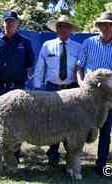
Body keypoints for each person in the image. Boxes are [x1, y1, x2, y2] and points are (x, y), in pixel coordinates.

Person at [76, 11, 112, 175]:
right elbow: (79, 67)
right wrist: (81, 84)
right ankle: (77, 162)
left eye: (109, 25)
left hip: (107, 95)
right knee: (81, 127)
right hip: (88, 94)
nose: (106, 27)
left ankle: (101, 163)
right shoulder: (88, 43)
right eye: (103, 24)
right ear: (98, 26)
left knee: (105, 129)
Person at [33, 15, 81, 166]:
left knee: (71, 124)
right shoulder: (47, 45)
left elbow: (80, 70)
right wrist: (37, 88)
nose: (63, 29)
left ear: (71, 30)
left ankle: (70, 157)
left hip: (71, 89)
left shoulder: (78, 47)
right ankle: (52, 155)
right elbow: (40, 67)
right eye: (60, 26)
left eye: (66, 26)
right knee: (52, 123)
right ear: (56, 29)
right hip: (51, 89)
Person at [0, 11, 34, 158]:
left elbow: (29, 64)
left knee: (18, 121)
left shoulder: (25, 42)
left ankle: (13, 154)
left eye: (12, 21)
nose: (10, 24)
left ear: (18, 23)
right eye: (7, 21)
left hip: (17, 88)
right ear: (3, 23)